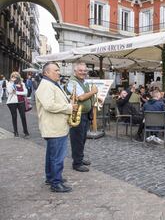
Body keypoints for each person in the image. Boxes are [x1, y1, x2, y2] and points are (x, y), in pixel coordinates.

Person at [36, 62, 77, 193]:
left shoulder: (51, 84)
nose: (59, 72)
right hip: (54, 127)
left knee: (51, 155)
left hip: (55, 126)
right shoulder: (47, 85)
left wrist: (68, 100)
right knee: (57, 157)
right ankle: (56, 182)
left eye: (59, 70)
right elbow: (49, 105)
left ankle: (51, 177)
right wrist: (69, 107)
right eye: (56, 70)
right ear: (46, 72)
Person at [66, 61, 98, 172]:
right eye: (80, 70)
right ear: (75, 71)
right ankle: (77, 163)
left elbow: (87, 96)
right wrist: (93, 92)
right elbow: (80, 97)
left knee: (82, 138)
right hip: (77, 114)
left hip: (85, 115)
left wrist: (96, 98)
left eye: (85, 70)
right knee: (77, 139)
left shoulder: (83, 82)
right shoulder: (72, 82)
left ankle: (80, 158)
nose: (83, 72)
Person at [6, 72, 29, 138]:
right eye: (13, 76)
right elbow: (10, 91)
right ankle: (15, 132)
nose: (14, 78)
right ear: (11, 77)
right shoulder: (9, 83)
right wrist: (12, 83)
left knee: (23, 117)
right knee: (14, 117)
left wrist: (17, 92)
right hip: (12, 102)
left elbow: (25, 93)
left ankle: (26, 131)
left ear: (18, 77)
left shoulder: (22, 83)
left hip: (21, 102)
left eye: (16, 76)